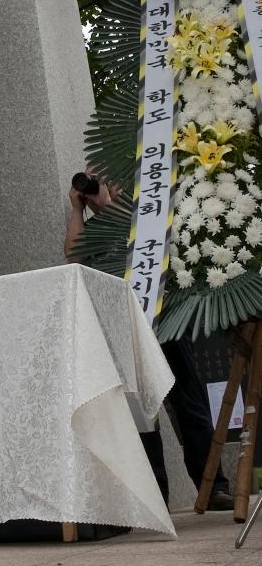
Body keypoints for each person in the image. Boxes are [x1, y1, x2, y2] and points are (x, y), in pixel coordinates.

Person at [65, 170, 233, 511]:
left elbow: (150, 247)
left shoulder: (139, 213)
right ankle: (155, 498)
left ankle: (213, 486)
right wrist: (75, 209)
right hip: (122, 329)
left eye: (107, 181)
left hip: (163, 320)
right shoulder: (91, 229)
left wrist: (111, 206)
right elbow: (72, 257)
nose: (101, 189)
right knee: (142, 417)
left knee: (189, 403)